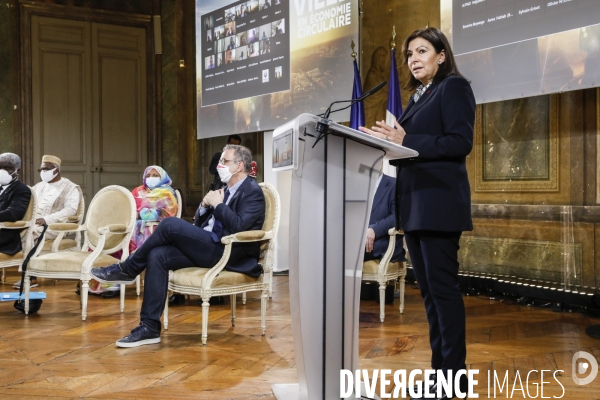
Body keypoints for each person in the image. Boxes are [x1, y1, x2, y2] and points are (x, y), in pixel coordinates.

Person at [359, 27, 475, 400]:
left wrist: (406, 140)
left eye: (422, 51)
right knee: (429, 295)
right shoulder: (419, 96)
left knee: (443, 293)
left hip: (439, 204)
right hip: (416, 205)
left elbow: (460, 142)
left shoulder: (454, 87)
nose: (413, 58)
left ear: (441, 55)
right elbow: (410, 148)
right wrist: (382, 142)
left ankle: (454, 378)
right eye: (409, 53)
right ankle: (440, 374)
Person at [90, 145, 266, 347]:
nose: (220, 166)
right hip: (209, 244)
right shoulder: (224, 189)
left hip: (227, 252)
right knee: (157, 254)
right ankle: (149, 327)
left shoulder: (252, 191)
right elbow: (202, 223)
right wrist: (205, 205)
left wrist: (218, 205)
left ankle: (128, 269)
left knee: (169, 224)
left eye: (225, 162)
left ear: (239, 166)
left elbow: (239, 226)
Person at [14, 155, 81, 289]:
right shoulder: (38, 187)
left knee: (30, 233)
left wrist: (46, 219)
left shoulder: (70, 187)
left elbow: (71, 210)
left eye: (47, 169)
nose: (43, 172)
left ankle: (30, 276)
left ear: (56, 170)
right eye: (41, 169)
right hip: (33, 224)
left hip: (55, 226)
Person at [364, 173, 405, 264]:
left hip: (383, 240)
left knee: (343, 250)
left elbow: (398, 217)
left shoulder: (395, 184)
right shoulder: (355, 183)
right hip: (357, 239)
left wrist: (374, 230)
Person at [0, 153, 31, 258]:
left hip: (6, 236)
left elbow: (13, 213)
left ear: (17, 171)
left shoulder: (21, 189)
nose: (2, 171)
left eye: (7, 168)